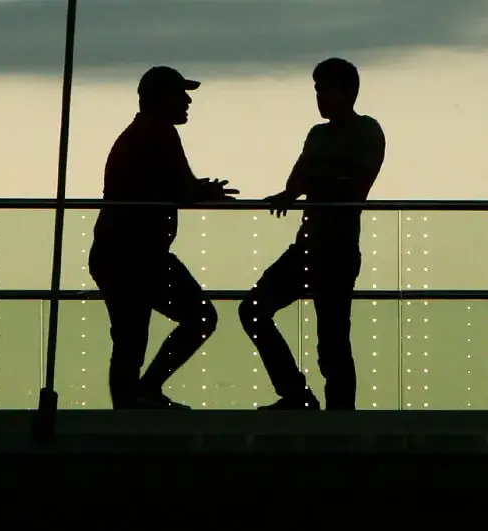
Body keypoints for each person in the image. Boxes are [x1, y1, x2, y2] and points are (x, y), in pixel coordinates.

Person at [240, 58, 385, 410]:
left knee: (332, 342)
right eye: (317, 90)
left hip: (337, 251)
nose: (319, 98)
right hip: (309, 247)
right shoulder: (318, 135)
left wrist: (315, 180)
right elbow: (298, 183)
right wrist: (314, 182)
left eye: (325, 90)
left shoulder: (367, 130)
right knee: (254, 310)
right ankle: (297, 395)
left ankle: (336, 417)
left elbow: (353, 185)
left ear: (348, 92)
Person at [89, 65, 237, 410]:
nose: (187, 101)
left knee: (129, 337)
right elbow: (182, 190)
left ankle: (130, 404)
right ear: (159, 99)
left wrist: (197, 190)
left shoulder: (141, 133)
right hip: (136, 256)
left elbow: (171, 186)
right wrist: (203, 193)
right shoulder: (159, 133)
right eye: (179, 94)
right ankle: (141, 394)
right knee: (197, 318)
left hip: (122, 253)